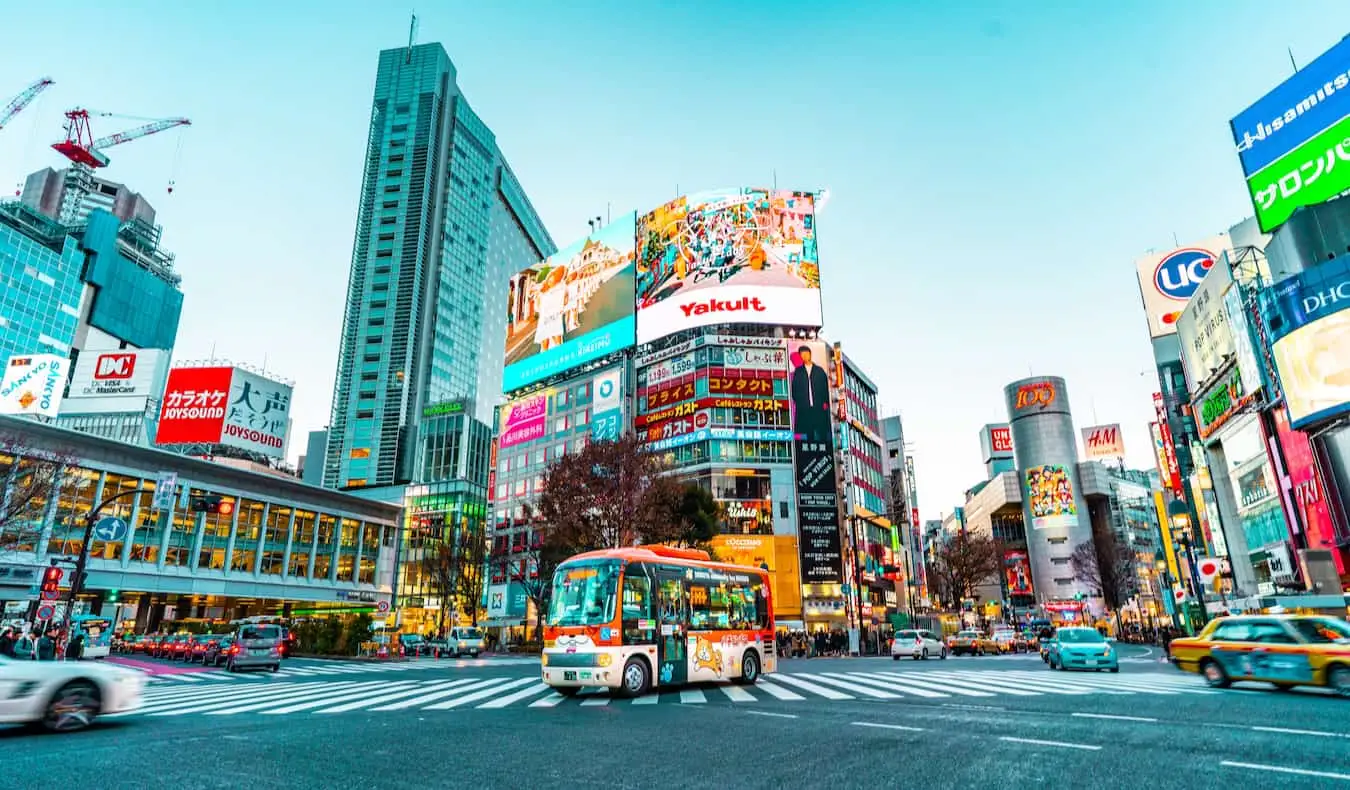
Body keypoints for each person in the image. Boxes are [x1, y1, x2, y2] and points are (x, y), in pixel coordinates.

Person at [789, 345, 831, 443]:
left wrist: (825, 402)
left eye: (806, 354)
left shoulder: (819, 371)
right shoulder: (798, 372)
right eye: (802, 355)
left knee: (822, 432)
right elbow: (794, 390)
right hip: (805, 408)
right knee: (808, 434)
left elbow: (825, 388)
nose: (804, 356)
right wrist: (799, 403)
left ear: (810, 354)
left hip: (819, 407)